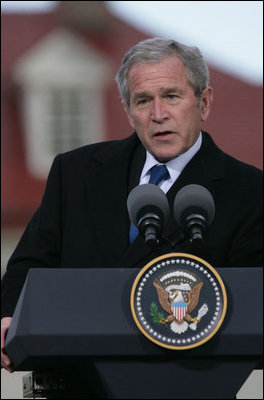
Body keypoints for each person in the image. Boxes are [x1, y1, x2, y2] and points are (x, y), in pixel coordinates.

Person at [1, 37, 262, 388]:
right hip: (78, 384)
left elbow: (252, 304)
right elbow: (30, 264)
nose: (158, 115)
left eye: (171, 96)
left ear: (204, 102)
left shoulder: (250, 191)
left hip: (188, 384)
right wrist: (7, 315)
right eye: (143, 101)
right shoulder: (76, 173)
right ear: (127, 111)